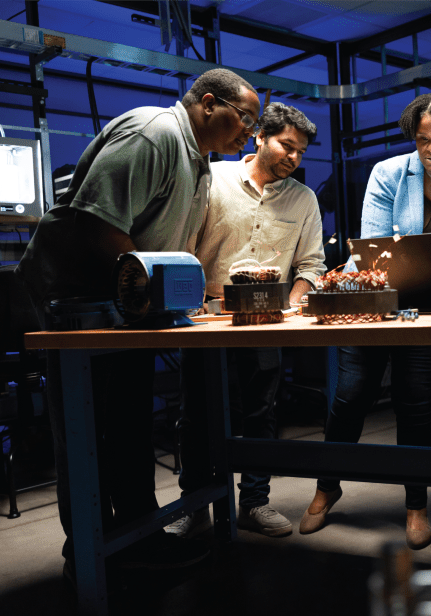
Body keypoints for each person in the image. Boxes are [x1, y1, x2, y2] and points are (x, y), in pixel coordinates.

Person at [14, 68, 261, 576]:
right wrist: (154, 289)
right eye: (246, 118)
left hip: (127, 308)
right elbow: (97, 222)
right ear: (209, 103)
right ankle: (87, 557)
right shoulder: (155, 134)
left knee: (126, 427)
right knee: (87, 434)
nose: (249, 133)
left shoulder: (200, 162)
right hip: (80, 307)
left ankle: (137, 538)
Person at [299, 92, 431, 550]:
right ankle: (327, 487)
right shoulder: (389, 174)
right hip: (376, 309)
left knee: (415, 403)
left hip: (430, 314)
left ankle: (416, 507)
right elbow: (377, 250)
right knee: (350, 398)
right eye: (422, 140)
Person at [169, 102, 325, 539]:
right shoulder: (212, 179)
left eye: (300, 152)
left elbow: (311, 264)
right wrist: (190, 301)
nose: (293, 158)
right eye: (286, 146)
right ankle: (196, 502)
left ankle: (253, 502)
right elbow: (184, 243)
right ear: (260, 137)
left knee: (261, 411)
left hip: (267, 319)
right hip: (206, 319)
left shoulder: (303, 199)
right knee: (196, 413)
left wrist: (293, 307)